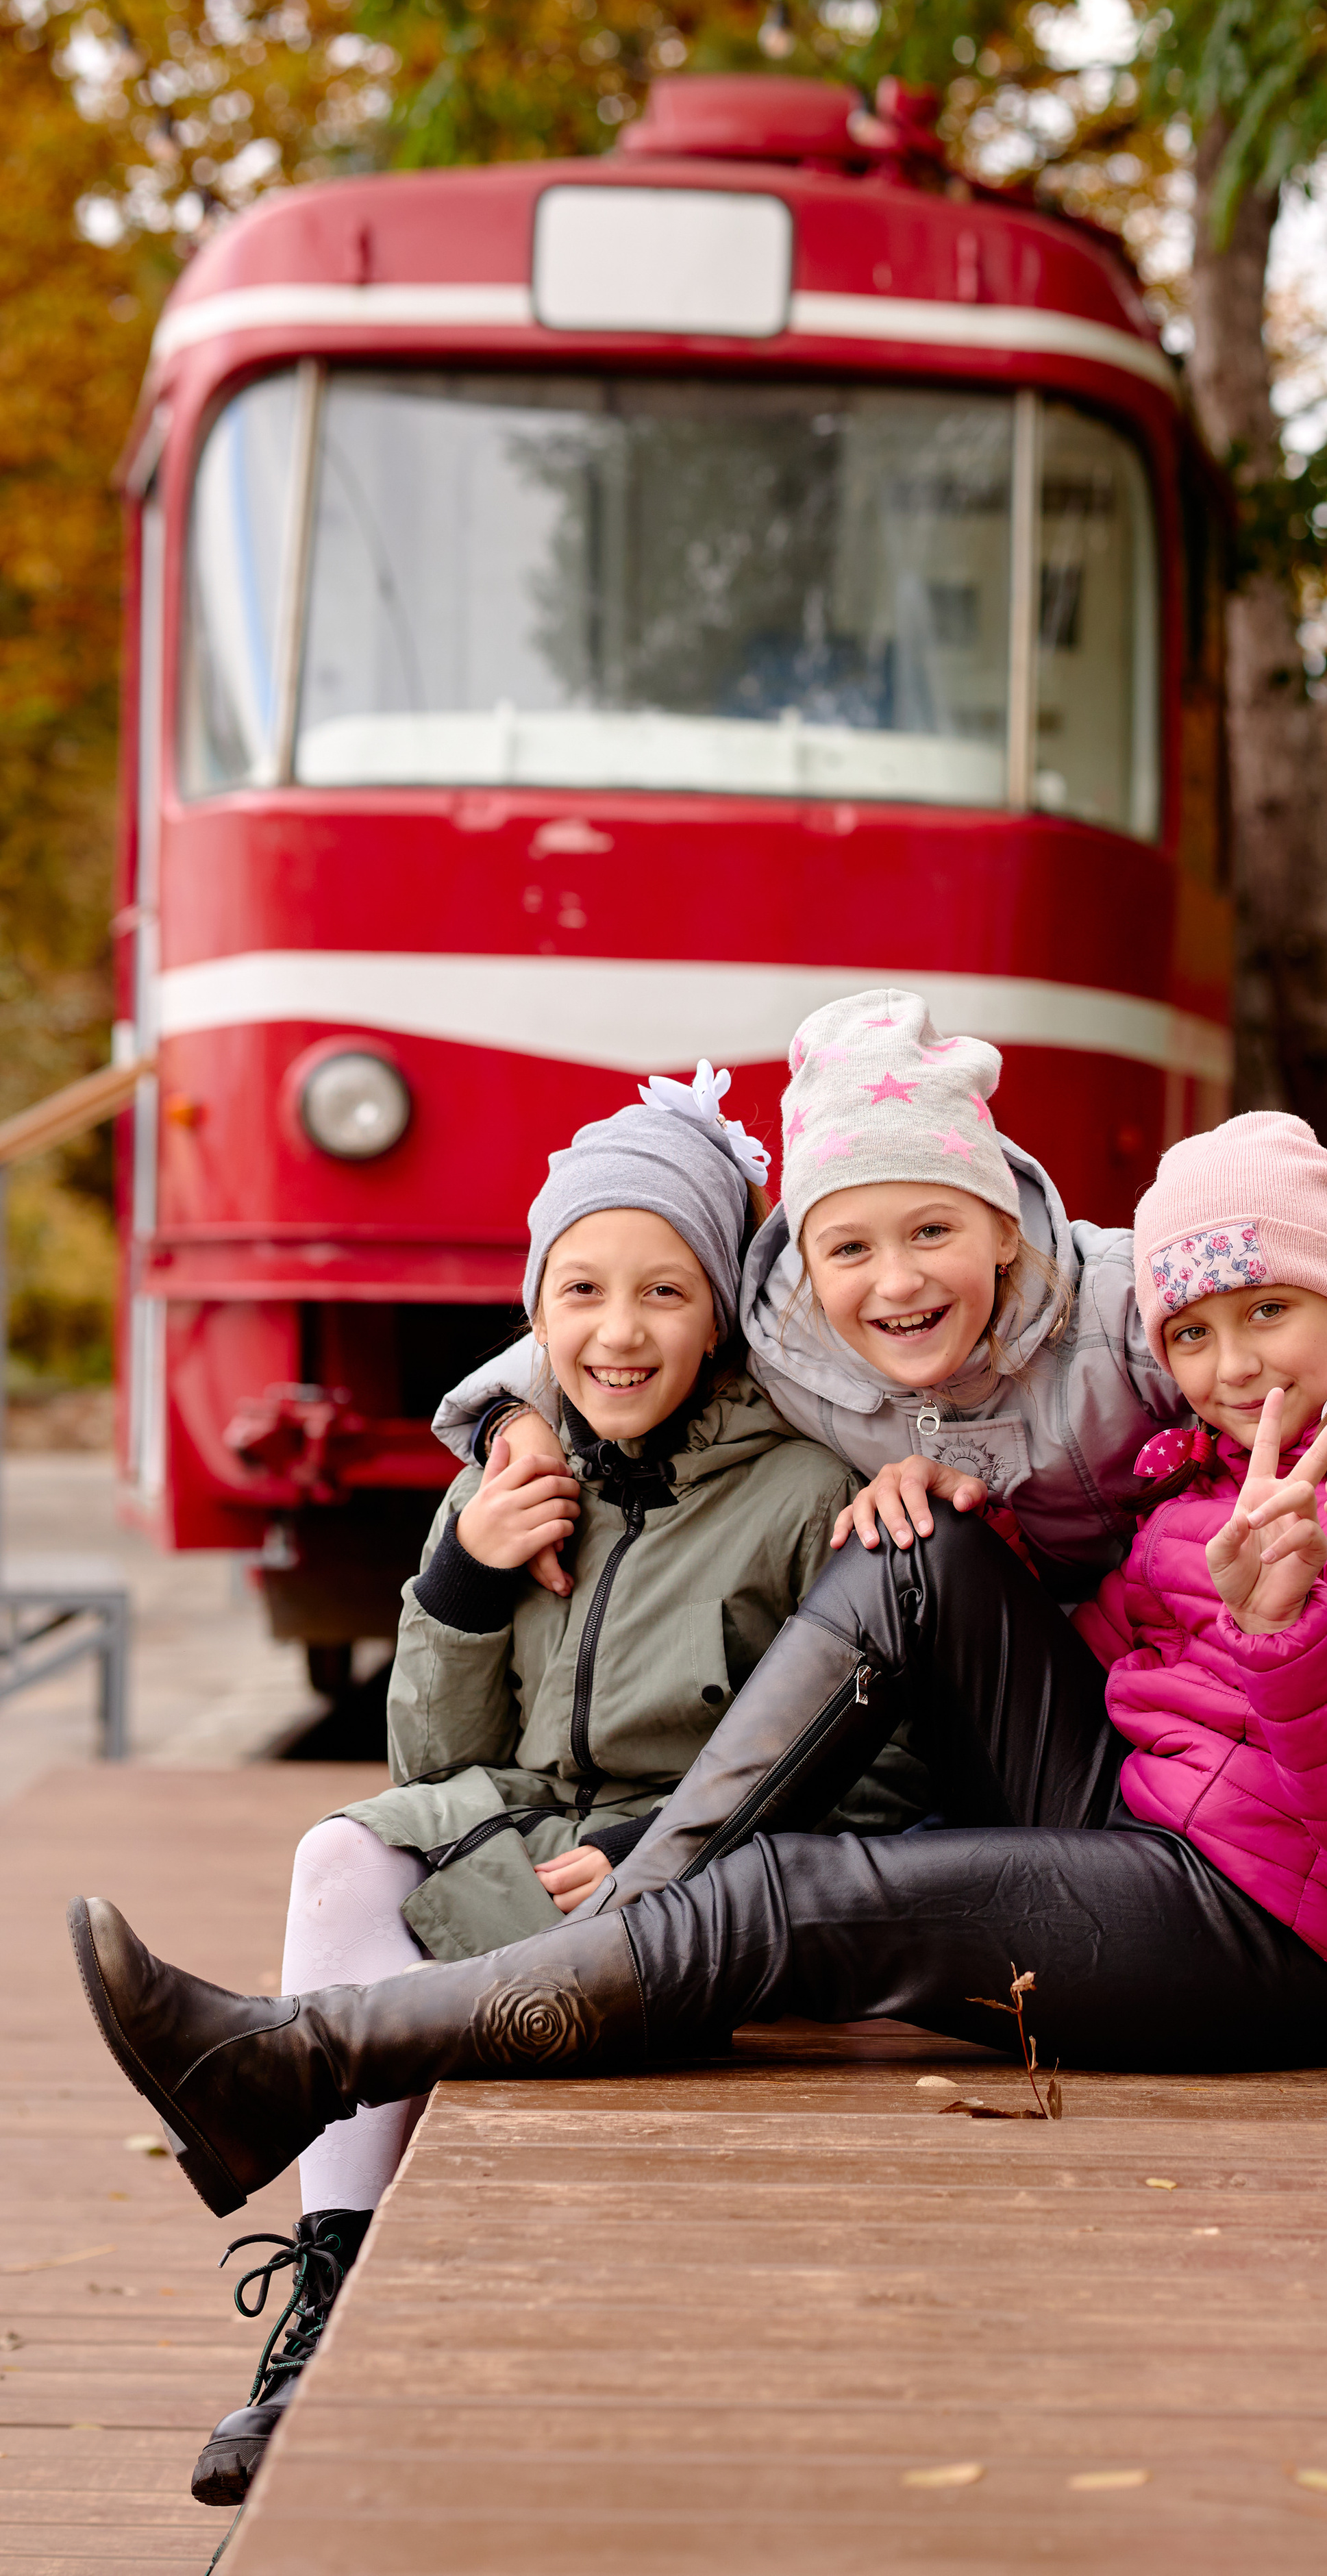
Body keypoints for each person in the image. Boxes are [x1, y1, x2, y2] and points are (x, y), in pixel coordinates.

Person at [69, 1106, 1327, 2244]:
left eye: (1269, 1314)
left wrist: (1291, 1634)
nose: (1231, 1363)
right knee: (916, 1544)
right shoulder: (1196, 1466)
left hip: (1268, 1941)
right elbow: (645, 1322)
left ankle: (306, 2058)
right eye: (1194, 1332)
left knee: (793, 1896)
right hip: (1148, 1828)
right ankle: (647, 1910)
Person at [173, 1063, 917, 2509]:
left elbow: (885, 1782)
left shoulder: (803, 1495)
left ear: (720, 1314)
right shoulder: (510, 1482)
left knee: (408, 1919)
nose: (617, 1332)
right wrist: (458, 1579)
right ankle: (326, 2305)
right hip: (531, 1842)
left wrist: (668, 1839)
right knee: (339, 1855)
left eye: (662, 1291)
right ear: (533, 1313)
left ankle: (314, 2187)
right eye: (578, 1292)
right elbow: (434, 1774)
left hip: (702, 1900)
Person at [434, 989, 1327, 1588]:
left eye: (934, 1230)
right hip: (986, 1654)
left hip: (1171, 1628)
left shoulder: (1119, 1306)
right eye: (851, 1250)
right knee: (896, 1556)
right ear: (809, 1271)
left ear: (1004, 1232)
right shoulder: (788, 1346)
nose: (899, 1280)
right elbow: (612, 1332)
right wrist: (519, 1420)